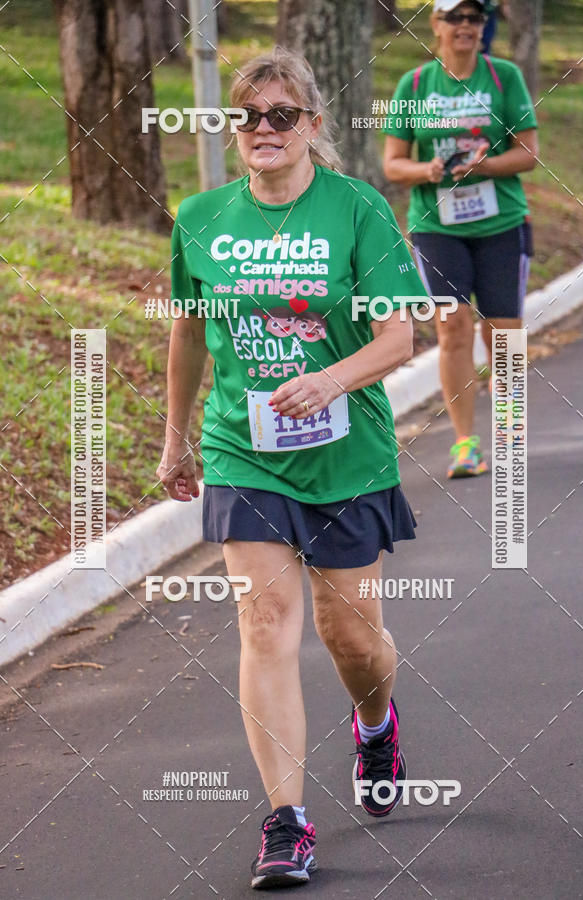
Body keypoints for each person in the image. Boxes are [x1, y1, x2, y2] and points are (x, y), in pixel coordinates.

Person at [157, 47, 427, 889]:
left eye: (281, 114)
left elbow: (398, 335)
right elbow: (189, 331)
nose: (263, 128)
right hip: (245, 451)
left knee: (352, 637)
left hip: (347, 454)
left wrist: (331, 379)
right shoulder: (201, 217)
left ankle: (375, 723)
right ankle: (287, 822)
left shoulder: (357, 208)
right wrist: (176, 437)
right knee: (265, 622)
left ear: (312, 124)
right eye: (248, 116)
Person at [383, 0, 538, 478]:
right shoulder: (414, 85)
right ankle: (465, 444)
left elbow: (529, 153)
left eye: (474, 18)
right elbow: (393, 163)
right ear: (436, 24)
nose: (465, 26)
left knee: (503, 334)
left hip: (500, 225)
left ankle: (509, 437)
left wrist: (486, 166)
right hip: (437, 227)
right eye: (455, 18)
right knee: (453, 328)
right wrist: (427, 170)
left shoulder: (504, 77)